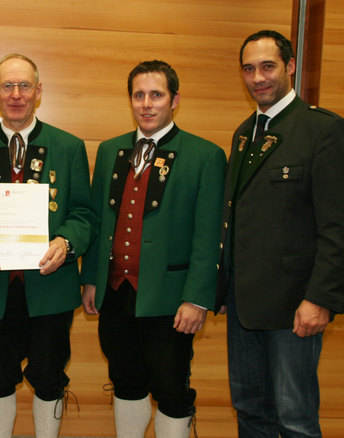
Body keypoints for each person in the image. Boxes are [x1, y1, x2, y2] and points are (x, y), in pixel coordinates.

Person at [216, 30, 344, 437]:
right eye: (249, 69)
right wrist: (225, 287)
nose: (258, 77)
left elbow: (342, 227)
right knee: (250, 412)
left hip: (295, 308)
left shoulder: (323, 130)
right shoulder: (244, 134)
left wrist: (321, 298)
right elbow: (238, 218)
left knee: (294, 418)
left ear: (290, 67)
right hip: (244, 305)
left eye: (268, 66)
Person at [0, 53, 95, 438]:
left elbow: (83, 213)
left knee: (48, 375)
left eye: (24, 85)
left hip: (51, 285)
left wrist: (66, 242)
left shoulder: (68, 146)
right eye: (7, 86)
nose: (16, 95)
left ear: (39, 91)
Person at [81, 60, 226, 437]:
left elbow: (209, 235)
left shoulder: (205, 156)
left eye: (156, 95)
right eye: (139, 95)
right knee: (125, 380)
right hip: (116, 293)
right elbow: (99, 223)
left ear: (175, 100)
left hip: (172, 299)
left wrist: (197, 298)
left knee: (171, 387)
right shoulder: (112, 150)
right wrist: (92, 280)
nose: (147, 104)